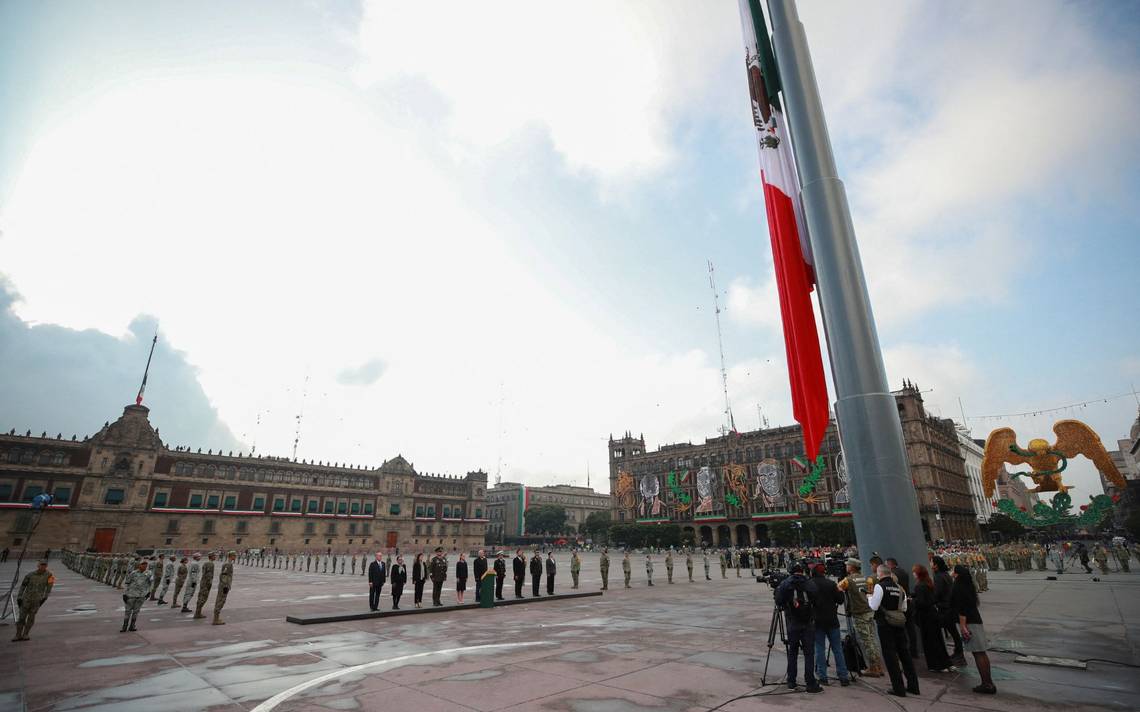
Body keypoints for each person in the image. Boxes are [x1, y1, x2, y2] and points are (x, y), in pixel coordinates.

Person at [868, 564, 920, 698]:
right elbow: (903, 607)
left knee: (890, 656)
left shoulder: (880, 586)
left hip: (885, 624)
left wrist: (869, 598)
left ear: (880, 574)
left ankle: (898, 688)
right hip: (899, 623)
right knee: (905, 654)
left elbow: (874, 606)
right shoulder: (899, 587)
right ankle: (914, 686)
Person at [775, 563, 822, 693]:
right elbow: (817, 601)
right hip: (808, 623)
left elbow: (778, 601)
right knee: (809, 653)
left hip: (792, 622)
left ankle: (791, 681)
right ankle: (810, 683)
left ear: (791, 572)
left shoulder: (785, 583)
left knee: (792, 652)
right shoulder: (810, 583)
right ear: (802, 571)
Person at [951, 564, 997, 694]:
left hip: (969, 623)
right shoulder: (968, 586)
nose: (952, 573)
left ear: (957, 574)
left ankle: (987, 684)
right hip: (975, 620)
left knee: (978, 653)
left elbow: (962, 609)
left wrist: (963, 626)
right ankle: (988, 682)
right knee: (980, 652)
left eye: (954, 572)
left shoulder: (958, 587)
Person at [838, 558, 884, 677]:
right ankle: (878, 666)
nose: (846, 567)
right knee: (873, 639)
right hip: (869, 611)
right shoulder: (867, 579)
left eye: (848, 565)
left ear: (852, 567)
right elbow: (870, 593)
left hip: (859, 613)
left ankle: (873, 668)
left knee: (866, 641)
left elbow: (838, 588)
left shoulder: (847, 580)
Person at [807, 563, 849, 686]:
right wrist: (840, 591)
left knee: (819, 648)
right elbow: (840, 600)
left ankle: (823, 677)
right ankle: (843, 676)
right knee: (837, 649)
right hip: (832, 620)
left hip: (817, 621)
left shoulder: (809, 584)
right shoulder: (831, 584)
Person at [911, 564, 953, 673]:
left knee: (930, 642)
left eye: (914, 571)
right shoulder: (928, 582)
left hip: (925, 617)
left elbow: (921, 603)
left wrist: (913, 601)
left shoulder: (919, 586)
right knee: (938, 640)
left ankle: (936, 665)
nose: (913, 573)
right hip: (933, 614)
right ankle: (946, 663)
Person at [932, 556, 965, 667]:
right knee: (953, 631)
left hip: (944, 608)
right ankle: (959, 652)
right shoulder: (946, 575)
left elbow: (937, 593)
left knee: (949, 631)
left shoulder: (938, 577)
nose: (931, 565)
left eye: (932, 563)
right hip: (950, 606)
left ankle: (959, 654)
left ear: (936, 565)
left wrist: (931, 600)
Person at [886, 557, 920, 661]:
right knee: (911, 628)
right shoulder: (904, 572)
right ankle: (914, 651)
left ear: (890, 565)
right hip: (908, 602)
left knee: (900, 629)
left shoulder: (893, 575)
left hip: (900, 604)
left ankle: (903, 651)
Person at [12, 560, 54, 642]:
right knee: (21, 617)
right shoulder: (30, 575)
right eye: (41, 565)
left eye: (45, 565)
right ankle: (18, 634)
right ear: (38, 565)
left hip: (37, 600)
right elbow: (23, 586)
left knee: (31, 618)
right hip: (26, 599)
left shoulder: (50, 576)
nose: (43, 566)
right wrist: (20, 597)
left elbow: (49, 588)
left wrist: (44, 597)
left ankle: (26, 634)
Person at [121, 560, 152, 633]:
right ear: (139, 565)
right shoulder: (133, 573)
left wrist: (148, 592)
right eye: (142, 565)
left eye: (145, 565)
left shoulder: (149, 573)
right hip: (131, 595)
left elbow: (150, 583)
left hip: (141, 595)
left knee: (136, 611)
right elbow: (127, 583)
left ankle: (132, 625)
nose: (144, 566)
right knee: (128, 611)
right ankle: (124, 626)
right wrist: (125, 594)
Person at [213, 551, 235, 625]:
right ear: (231, 556)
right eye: (234, 555)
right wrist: (225, 585)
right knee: (221, 600)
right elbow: (224, 575)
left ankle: (216, 618)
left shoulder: (229, 563)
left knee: (221, 600)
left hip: (224, 585)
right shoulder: (228, 564)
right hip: (224, 586)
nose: (236, 557)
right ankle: (215, 619)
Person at [194, 552, 217, 620]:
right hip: (206, 583)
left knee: (201, 596)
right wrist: (209, 583)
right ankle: (197, 613)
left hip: (203, 582)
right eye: (214, 556)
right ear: (211, 557)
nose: (215, 557)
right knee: (203, 597)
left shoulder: (205, 563)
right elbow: (209, 575)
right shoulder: (210, 564)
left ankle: (198, 612)